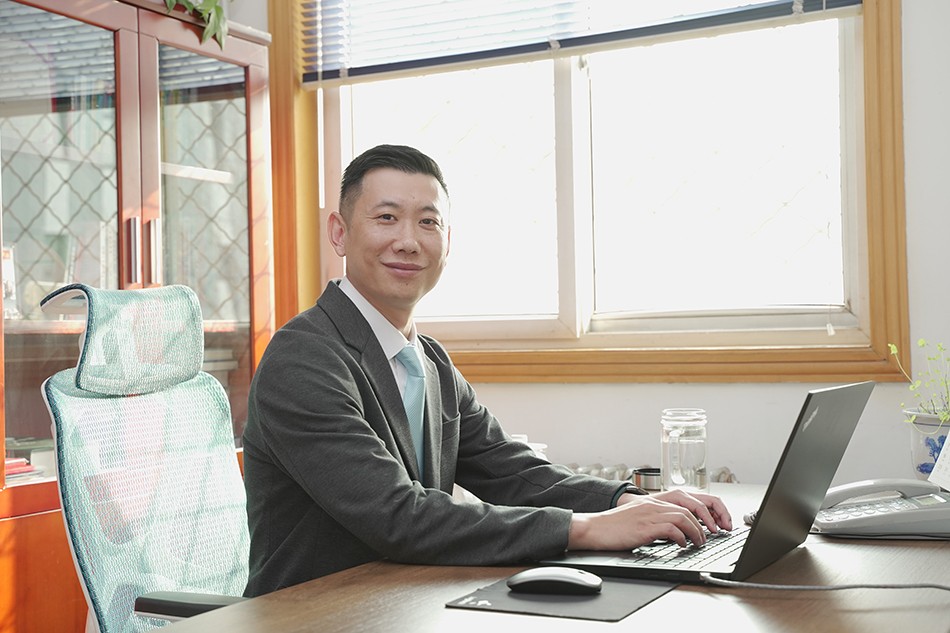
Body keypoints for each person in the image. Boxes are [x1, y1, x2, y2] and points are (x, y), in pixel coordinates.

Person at [241, 144, 732, 596]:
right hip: (312, 613)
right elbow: (397, 516)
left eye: (428, 222)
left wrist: (624, 502)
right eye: (386, 218)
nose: (408, 241)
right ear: (340, 233)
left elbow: (512, 470)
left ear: (447, 241)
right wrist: (583, 529)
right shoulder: (302, 359)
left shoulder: (430, 360)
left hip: (404, 599)